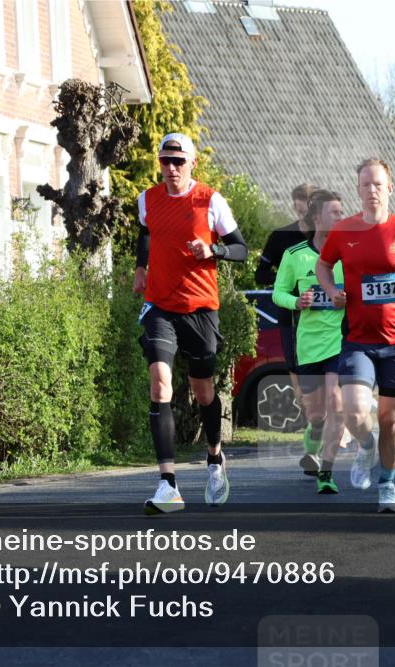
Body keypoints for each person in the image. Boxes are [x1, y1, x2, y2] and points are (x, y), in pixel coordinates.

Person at [316, 158, 395, 513]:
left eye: (377, 184)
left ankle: (387, 483)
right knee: (355, 412)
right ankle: (366, 446)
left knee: (391, 419)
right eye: (365, 185)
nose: (371, 191)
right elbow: (322, 265)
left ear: (390, 188)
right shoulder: (344, 231)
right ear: (358, 190)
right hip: (358, 339)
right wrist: (331, 290)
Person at [133, 133, 248, 515]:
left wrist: (213, 249)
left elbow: (242, 249)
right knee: (160, 382)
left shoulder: (210, 200)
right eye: (165, 161)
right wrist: (139, 269)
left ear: (192, 164)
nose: (171, 168)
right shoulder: (147, 199)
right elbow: (146, 232)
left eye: (178, 162)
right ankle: (168, 484)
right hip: (160, 305)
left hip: (200, 309)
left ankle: (214, 457)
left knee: (203, 392)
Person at [273, 190, 348, 492]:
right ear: (317, 218)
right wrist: (297, 302)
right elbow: (277, 293)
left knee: (337, 404)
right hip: (308, 344)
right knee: (316, 415)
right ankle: (311, 450)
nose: (341, 217)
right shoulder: (294, 256)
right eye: (335, 212)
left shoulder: (348, 255)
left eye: (342, 212)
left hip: (340, 341)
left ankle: (326, 473)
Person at [255, 183, 318, 407]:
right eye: (298, 211)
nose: (302, 216)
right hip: (290, 313)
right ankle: (310, 419)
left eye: (307, 212)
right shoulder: (280, 237)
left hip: (325, 315)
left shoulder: (328, 237)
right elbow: (260, 275)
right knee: (295, 365)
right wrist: (285, 279)